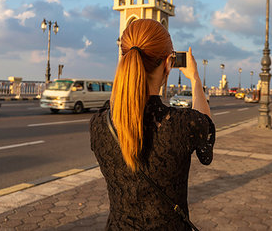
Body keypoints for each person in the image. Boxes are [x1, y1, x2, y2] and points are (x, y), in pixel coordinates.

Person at [90, 19, 215, 230]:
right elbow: (207, 135)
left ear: (123, 60)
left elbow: (116, 103)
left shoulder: (99, 123)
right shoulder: (183, 124)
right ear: (168, 64)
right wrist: (194, 78)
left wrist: (124, 63)